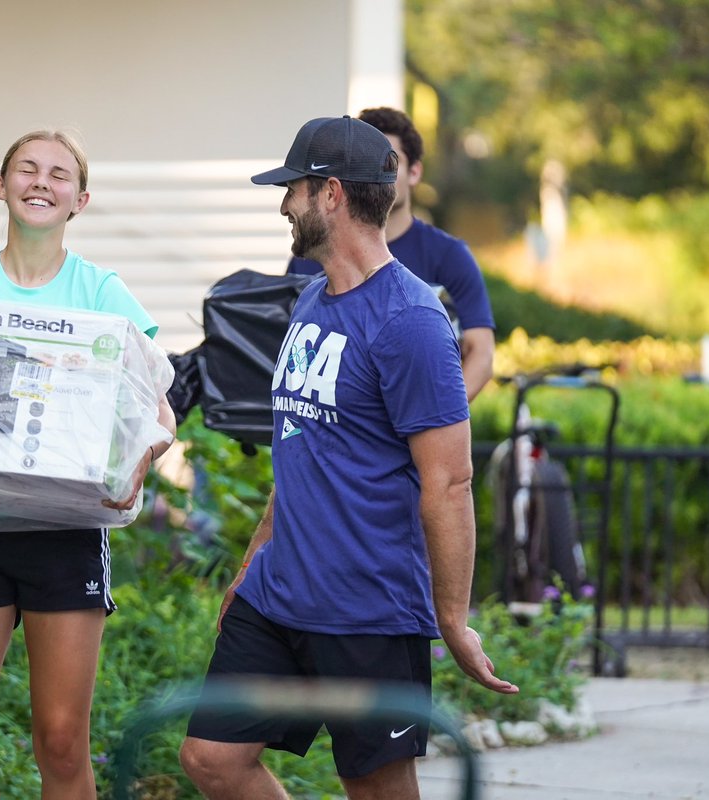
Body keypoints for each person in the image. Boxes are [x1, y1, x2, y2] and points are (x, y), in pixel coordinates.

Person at [178, 116, 518, 800]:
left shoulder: (412, 321)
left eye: (293, 190)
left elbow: (448, 481)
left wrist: (450, 618)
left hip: (369, 608)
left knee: (376, 788)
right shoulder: (310, 299)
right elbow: (298, 447)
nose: (283, 205)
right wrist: (250, 566)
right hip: (279, 594)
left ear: (330, 195)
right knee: (212, 759)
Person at [0, 129, 176, 800]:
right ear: (0, 186)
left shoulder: (102, 294)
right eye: (26, 170)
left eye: (59, 175)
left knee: (61, 744)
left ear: (79, 200)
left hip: (65, 531)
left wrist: (140, 458)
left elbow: (159, 413)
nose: (42, 182)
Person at [287, 106, 496, 402]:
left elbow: (482, 355)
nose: (375, 171)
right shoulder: (311, 254)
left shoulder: (448, 256)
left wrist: (431, 418)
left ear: (414, 172)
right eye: (364, 162)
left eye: (387, 161)